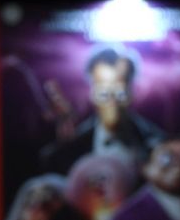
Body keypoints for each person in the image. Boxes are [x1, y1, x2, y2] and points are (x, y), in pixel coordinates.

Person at [41, 45, 164, 176]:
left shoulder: (159, 144)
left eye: (119, 92)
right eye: (104, 92)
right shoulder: (62, 153)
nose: (112, 101)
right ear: (92, 93)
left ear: (133, 92)